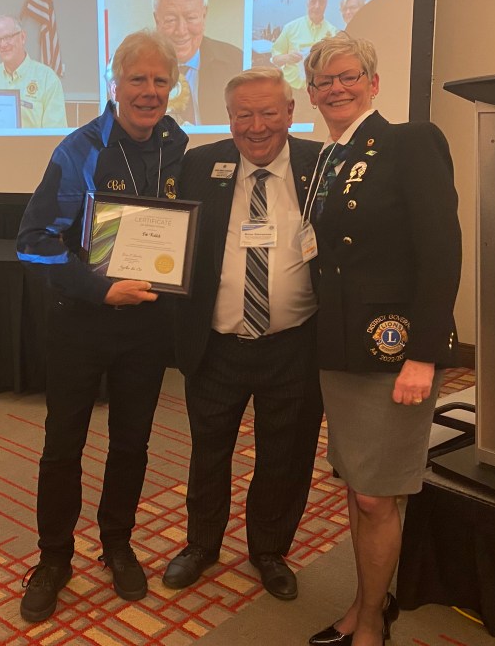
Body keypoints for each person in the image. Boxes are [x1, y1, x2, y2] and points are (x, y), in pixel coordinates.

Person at [16, 30, 188, 622]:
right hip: (81, 325)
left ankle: (117, 543)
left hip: (147, 328)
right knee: (63, 444)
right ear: (115, 83)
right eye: (137, 79)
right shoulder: (80, 148)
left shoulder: (176, 145)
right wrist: (99, 288)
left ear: (173, 86)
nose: (149, 91)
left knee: (132, 442)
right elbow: (33, 242)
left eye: (160, 80)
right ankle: (54, 557)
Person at [303, 34, 460, 646]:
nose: (336, 88)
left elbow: (441, 252)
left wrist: (424, 354)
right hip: (341, 346)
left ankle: (372, 620)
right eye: (324, 81)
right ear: (311, 94)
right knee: (360, 483)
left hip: (394, 351)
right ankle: (364, 603)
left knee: (375, 494)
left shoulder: (409, 142)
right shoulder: (328, 158)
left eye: (348, 76)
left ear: (373, 82)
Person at [166, 66, 323, 601]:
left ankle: (269, 549)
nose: (257, 127)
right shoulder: (200, 164)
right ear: (229, 118)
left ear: (290, 113)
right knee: (209, 452)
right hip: (216, 346)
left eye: (269, 113)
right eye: (243, 115)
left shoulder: (320, 164)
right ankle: (201, 544)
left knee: (286, 454)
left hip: (295, 345)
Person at [152, 0, 241, 127]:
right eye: (170, 20)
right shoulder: (135, 69)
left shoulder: (236, 62)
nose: (181, 31)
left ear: (204, 15)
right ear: (157, 20)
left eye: (191, 18)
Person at [0, 15, 68, 128]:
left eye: (8, 37)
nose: (3, 44)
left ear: (23, 37)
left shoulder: (47, 78)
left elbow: (55, 133)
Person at [270, 0, 338, 93]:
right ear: (307, 3)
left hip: (321, 91)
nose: (317, 6)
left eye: (321, 2)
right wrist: (287, 57)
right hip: (292, 90)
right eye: (313, 1)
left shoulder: (334, 33)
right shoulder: (290, 28)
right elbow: (275, 59)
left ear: (326, 5)